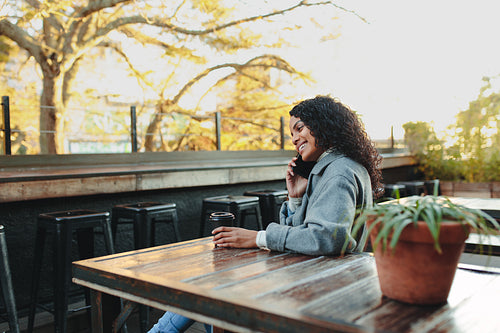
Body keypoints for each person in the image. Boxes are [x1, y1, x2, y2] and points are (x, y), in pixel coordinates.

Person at [147, 95, 383, 332]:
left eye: (299, 128)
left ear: (324, 123)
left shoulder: (338, 172)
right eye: (292, 134)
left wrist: (257, 238)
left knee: (211, 285)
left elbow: (326, 239)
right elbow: (309, 235)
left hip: (323, 293)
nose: (294, 139)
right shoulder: (335, 167)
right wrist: (295, 199)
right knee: (211, 287)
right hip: (321, 281)